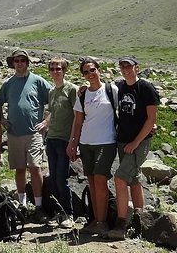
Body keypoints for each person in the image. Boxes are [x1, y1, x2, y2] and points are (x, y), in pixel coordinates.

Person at [0, 49, 52, 223]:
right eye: (16, 60)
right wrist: (3, 119)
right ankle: (23, 205)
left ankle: (39, 206)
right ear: (13, 63)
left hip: (34, 133)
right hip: (14, 134)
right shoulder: (8, 83)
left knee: (35, 168)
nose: (19, 63)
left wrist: (46, 121)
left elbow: (54, 100)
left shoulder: (37, 81)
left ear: (27, 62)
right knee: (20, 169)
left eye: (22, 60)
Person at [106, 56, 160, 240]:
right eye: (122, 66)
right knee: (134, 178)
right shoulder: (119, 87)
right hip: (123, 140)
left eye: (128, 66)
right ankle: (140, 217)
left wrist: (136, 143)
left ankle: (121, 224)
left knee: (120, 178)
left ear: (137, 67)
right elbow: (103, 93)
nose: (125, 69)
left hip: (139, 142)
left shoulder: (145, 88)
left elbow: (151, 119)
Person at [66, 58, 118, 237]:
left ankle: (102, 222)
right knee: (92, 182)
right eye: (86, 72)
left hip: (106, 141)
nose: (90, 74)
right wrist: (73, 143)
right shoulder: (83, 94)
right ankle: (96, 220)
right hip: (86, 143)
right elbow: (78, 121)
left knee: (100, 180)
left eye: (92, 70)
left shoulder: (112, 90)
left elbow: (126, 110)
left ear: (99, 70)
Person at [37, 57, 77, 228]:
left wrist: (75, 142)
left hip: (65, 139)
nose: (55, 72)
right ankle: (58, 213)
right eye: (52, 69)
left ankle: (69, 213)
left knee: (62, 178)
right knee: (53, 178)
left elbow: (78, 116)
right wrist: (45, 123)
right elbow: (52, 112)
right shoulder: (52, 91)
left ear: (64, 70)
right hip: (52, 139)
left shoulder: (72, 90)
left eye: (58, 69)